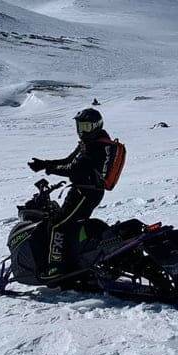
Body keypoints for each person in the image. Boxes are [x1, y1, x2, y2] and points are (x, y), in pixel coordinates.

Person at [28, 107, 116, 280]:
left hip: (85, 193)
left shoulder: (96, 147)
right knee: (70, 225)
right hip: (84, 191)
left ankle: (55, 269)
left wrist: (49, 169)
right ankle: (74, 261)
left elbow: (73, 169)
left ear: (96, 126)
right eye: (80, 127)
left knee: (57, 224)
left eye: (86, 127)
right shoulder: (89, 144)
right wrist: (45, 164)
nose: (82, 131)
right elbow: (69, 160)